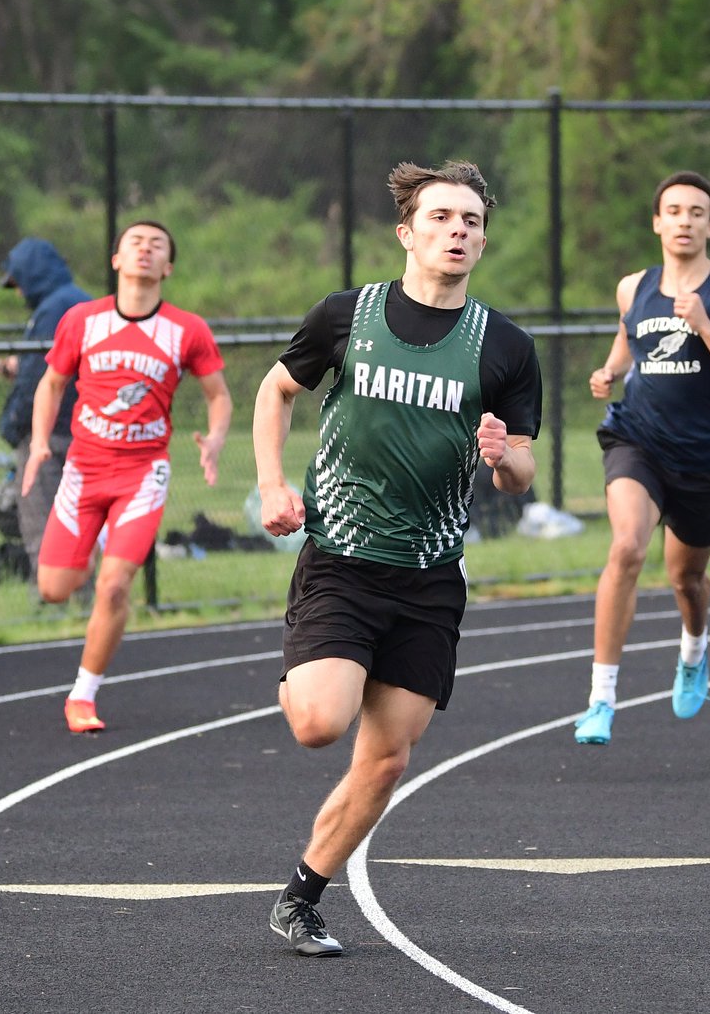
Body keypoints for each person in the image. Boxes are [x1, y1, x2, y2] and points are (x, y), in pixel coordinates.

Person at [254, 160, 541, 956]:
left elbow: (523, 471)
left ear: (484, 239)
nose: (459, 231)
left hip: (429, 576)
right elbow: (276, 390)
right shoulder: (349, 316)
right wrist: (273, 483)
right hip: (343, 557)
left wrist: (500, 456)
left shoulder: (506, 347)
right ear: (407, 233)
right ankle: (312, 652)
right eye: (443, 218)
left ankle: (301, 897)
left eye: (472, 221)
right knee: (318, 723)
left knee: (384, 762)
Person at [574, 170, 710, 746]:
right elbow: (628, 339)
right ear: (657, 222)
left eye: (696, 212)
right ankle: (601, 700)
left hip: (703, 456)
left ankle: (693, 650)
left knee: (687, 579)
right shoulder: (633, 286)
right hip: (637, 440)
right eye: (674, 210)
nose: (684, 221)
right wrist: (612, 370)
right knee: (627, 547)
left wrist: (707, 327)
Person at [22, 220, 232, 734]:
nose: (144, 249)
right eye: (134, 242)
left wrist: (216, 438)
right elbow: (51, 384)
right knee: (55, 587)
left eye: (156, 245)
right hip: (83, 469)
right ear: (116, 259)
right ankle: (91, 552)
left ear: (168, 267)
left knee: (113, 587)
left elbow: (219, 395)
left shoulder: (187, 329)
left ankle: (82, 697)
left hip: (143, 473)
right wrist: (37, 444)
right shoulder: (81, 320)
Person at [0, 238, 91, 584]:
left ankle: (52, 596)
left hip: (51, 435)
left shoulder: (51, 311)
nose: (18, 294)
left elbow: (38, 382)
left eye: (18, 285)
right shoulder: (79, 301)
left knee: (44, 521)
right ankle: (81, 591)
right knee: (80, 521)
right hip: (83, 428)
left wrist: (14, 426)